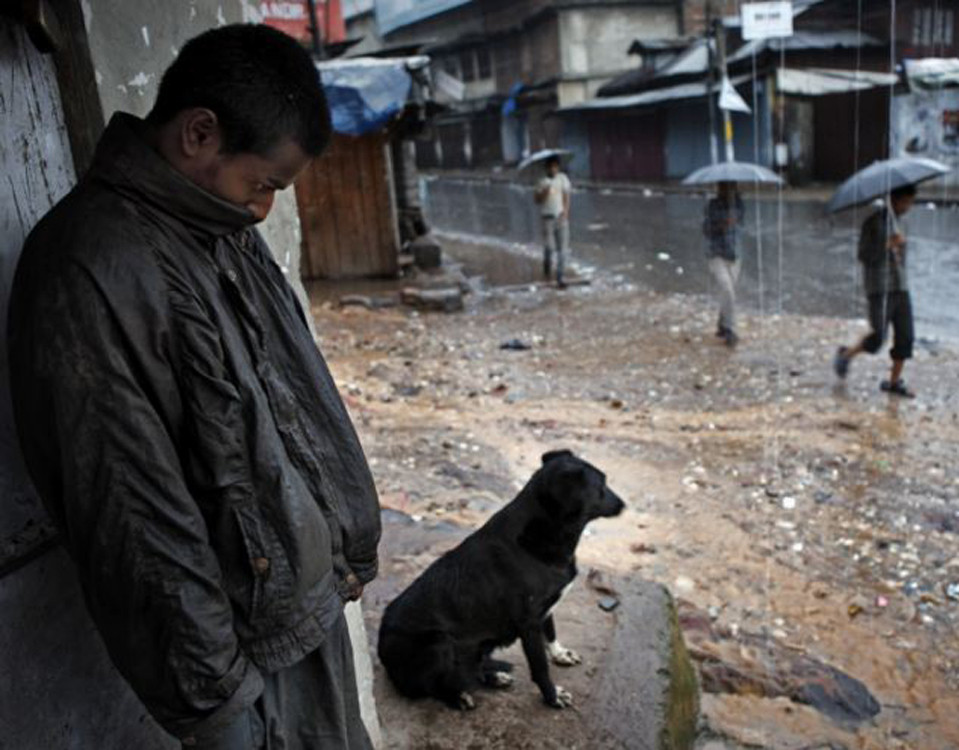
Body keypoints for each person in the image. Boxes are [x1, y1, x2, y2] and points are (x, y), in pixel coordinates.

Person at [8, 25, 380, 750]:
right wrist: (216, 702)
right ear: (199, 133)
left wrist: (346, 546)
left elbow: (296, 399)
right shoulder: (90, 265)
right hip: (237, 660)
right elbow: (131, 514)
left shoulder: (216, 228)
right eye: (264, 183)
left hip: (302, 611)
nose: (264, 208)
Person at [833, 184, 917, 398]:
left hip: (900, 286)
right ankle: (847, 355)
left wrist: (899, 249)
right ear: (895, 200)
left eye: (910, 202)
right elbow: (863, 255)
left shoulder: (902, 223)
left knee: (906, 336)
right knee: (879, 336)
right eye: (905, 202)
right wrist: (886, 245)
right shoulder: (873, 223)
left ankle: (894, 382)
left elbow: (902, 257)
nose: (908, 206)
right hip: (879, 287)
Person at [703, 181, 746, 347]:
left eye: (730, 187)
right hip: (716, 254)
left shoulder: (739, 204)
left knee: (728, 292)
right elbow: (705, 228)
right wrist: (721, 224)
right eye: (724, 187)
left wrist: (733, 219)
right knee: (727, 289)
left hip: (735, 254)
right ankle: (731, 330)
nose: (727, 190)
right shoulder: (713, 205)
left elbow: (740, 221)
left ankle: (722, 324)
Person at [533, 155, 572, 288]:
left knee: (563, 249)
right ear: (547, 168)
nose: (553, 169)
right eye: (551, 167)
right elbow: (537, 200)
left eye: (556, 166)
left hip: (560, 217)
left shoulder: (563, 179)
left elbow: (566, 196)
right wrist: (545, 191)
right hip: (547, 219)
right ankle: (547, 266)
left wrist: (566, 212)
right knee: (549, 247)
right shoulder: (542, 181)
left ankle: (560, 277)